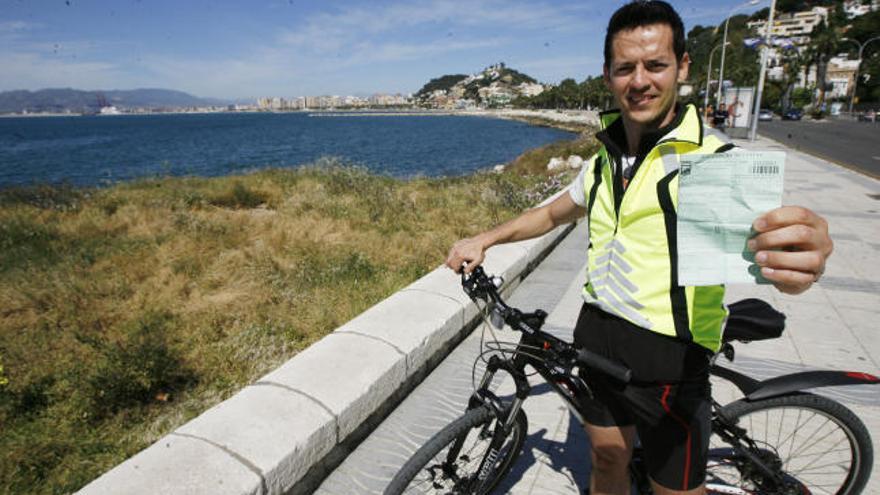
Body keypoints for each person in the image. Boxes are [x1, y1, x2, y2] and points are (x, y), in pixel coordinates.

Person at [445, 2, 833, 494]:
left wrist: (804, 260)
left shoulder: (713, 162)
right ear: (608, 75)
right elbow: (549, 214)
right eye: (625, 67)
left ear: (683, 67)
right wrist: (486, 237)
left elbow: (782, 251)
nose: (640, 80)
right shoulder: (604, 162)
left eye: (656, 65)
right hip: (596, 339)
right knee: (607, 460)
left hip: (670, 361)